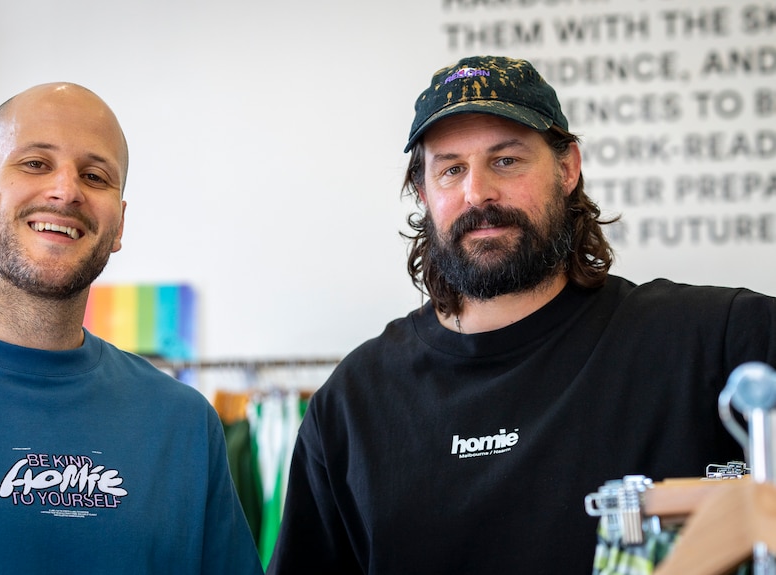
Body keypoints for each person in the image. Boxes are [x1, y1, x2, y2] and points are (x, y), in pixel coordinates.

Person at [267, 55, 776, 574]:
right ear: (424, 193)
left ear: (567, 168)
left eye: (506, 160)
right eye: (451, 169)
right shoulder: (352, 404)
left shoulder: (721, 341)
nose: (478, 192)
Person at [0, 83, 262, 574]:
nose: (67, 190)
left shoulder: (183, 424)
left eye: (95, 176)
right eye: (35, 163)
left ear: (118, 225)